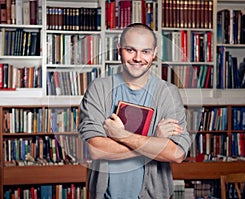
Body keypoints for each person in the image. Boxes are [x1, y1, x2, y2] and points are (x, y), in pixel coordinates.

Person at [79, 23, 192, 199]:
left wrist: (120, 135)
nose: (138, 58)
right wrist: (155, 142)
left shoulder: (168, 93)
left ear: (154, 53)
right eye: (130, 50)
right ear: (119, 50)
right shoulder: (99, 89)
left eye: (145, 51)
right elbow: (96, 150)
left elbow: (176, 153)